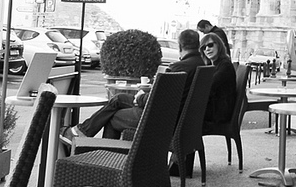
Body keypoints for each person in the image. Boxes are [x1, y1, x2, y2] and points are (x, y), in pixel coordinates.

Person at [65, 28, 204, 140]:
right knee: (119, 98)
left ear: (180, 46)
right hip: (180, 118)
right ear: (197, 45)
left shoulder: (177, 69)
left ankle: (107, 159)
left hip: (160, 118)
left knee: (113, 116)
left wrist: (140, 97)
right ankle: (82, 130)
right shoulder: (202, 66)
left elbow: (157, 100)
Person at [200, 32, 236, 124]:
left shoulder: (225, 65)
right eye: (204, 48)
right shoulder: (213, 65)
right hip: (215, 109)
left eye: (210, 45)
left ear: (219, 46)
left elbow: (209, 86)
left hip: (219, 113)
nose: (207, 49)